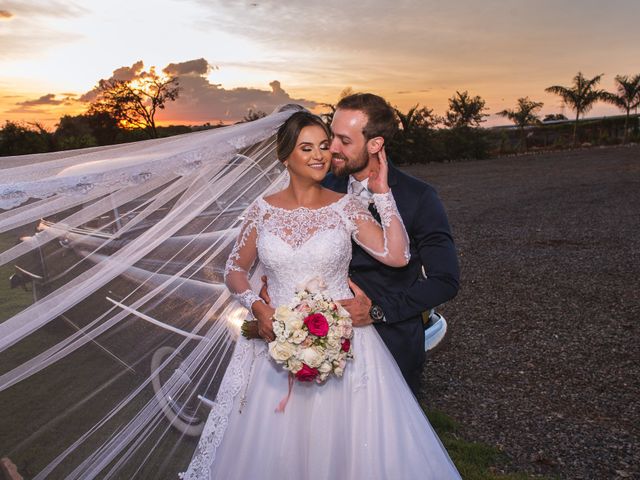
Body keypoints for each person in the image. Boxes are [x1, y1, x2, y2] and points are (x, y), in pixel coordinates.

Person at [179, 111, 461, 479]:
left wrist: (383, 194)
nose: (320, 155)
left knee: (353, 444)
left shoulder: (346, 206)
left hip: (348, 344)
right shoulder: (261, 210)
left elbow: (398, 256)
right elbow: (234, 270)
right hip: (274, 346)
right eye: (306, 147)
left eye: (325, 146)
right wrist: (258, 307)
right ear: (285, 157)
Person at [323, 93, 460, 393]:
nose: (332, 148)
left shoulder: (419, 197)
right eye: (332, 136)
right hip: (324, 346)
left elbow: (445, 280)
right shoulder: (323, 186)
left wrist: (377, 311)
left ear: (375, 144)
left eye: (344, 141)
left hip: (392, 346)